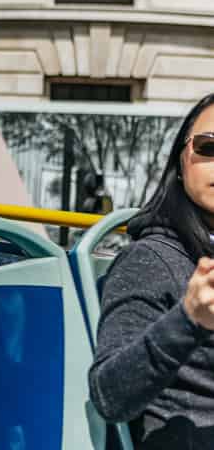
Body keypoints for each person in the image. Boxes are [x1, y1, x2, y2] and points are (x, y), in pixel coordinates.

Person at [89, 93, 214, 449]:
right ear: (181, 161)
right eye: (209, 147)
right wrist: (189, 319)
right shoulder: (149, 260)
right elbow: (109, 395)